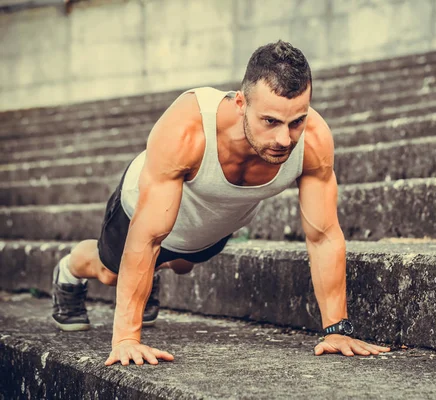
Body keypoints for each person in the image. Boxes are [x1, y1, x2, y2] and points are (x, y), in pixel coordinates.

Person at [51, 40, 391, 366]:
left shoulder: (314, 140)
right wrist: (127, 338)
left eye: (296, 121)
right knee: (110, 273)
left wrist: (335, 330)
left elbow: (324, 235)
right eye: (270, 121)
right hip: (142, 212)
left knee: (182, 263)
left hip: (210, 228)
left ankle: (150, 270)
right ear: (241, 103)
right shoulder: (190, 128)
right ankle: (69, 270)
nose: (284, 139)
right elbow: (148, 237)